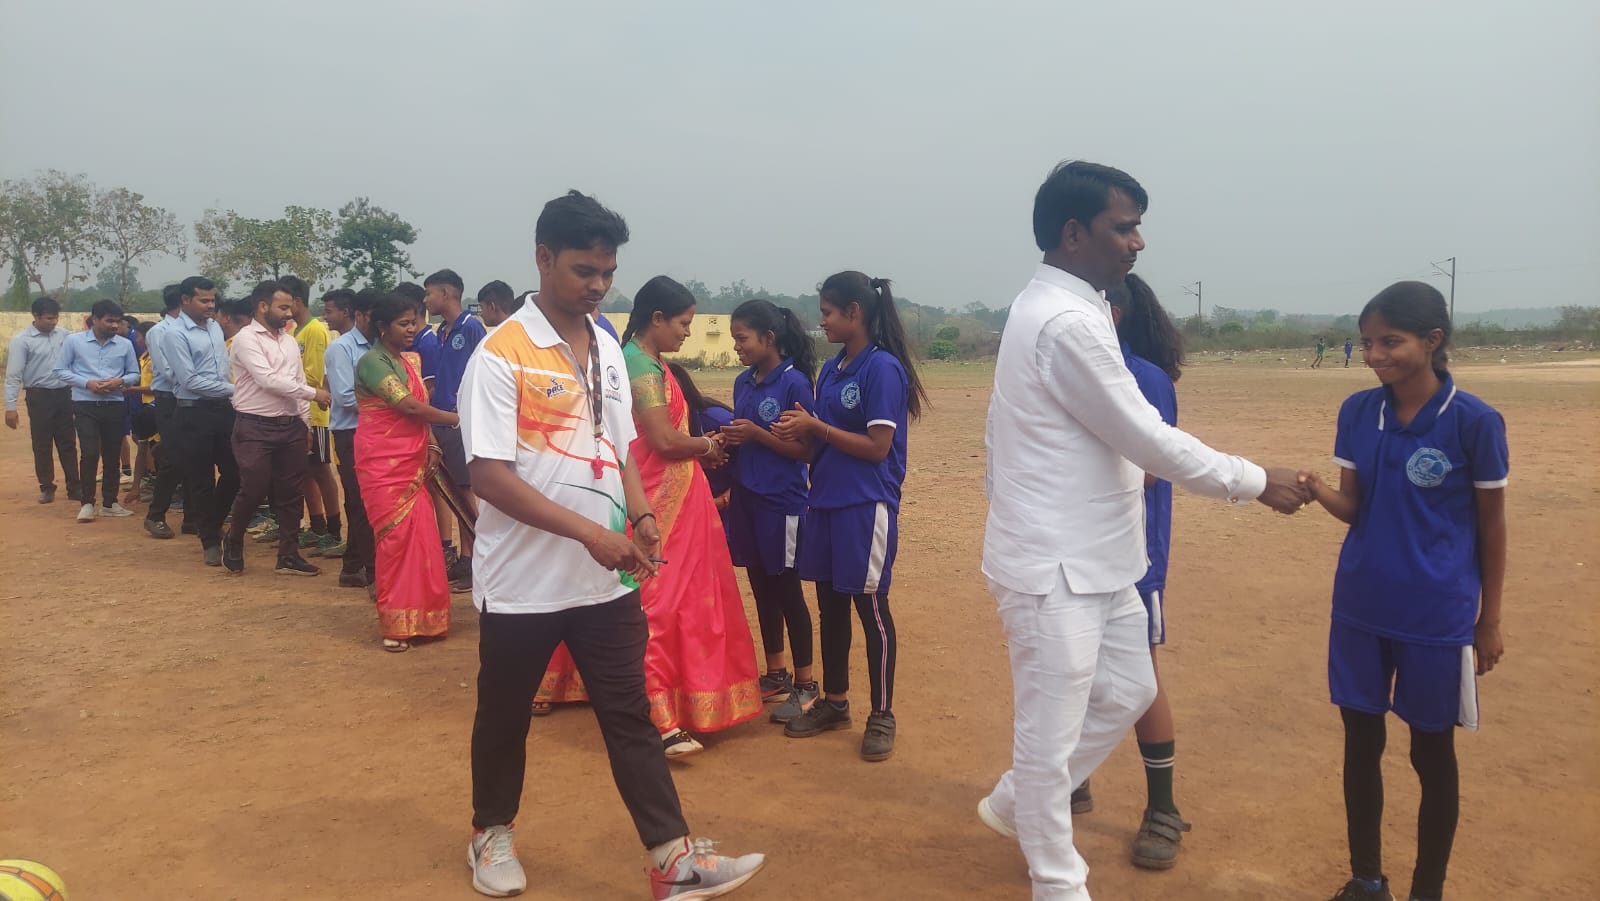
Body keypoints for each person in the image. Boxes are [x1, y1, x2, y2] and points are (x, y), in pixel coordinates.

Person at [976, 160, 1312, 901]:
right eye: (1124, 227)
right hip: (1054, 566)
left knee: (1128, 690)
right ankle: (1058, 882)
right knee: (1049, 735)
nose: (1139, 242)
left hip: (1104, 557)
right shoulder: (1064, 321)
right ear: (1074, 234)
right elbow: (1146, 436)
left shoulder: (1074, 306)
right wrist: (1257, 480)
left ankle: (1014, 801)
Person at [458, 189, 764, 899]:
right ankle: (490, 833)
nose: (598, 286)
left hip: (603, 583)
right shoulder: (501, 354)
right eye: (583, 270)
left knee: (630, 716)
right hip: (523, 584)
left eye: (607, 273)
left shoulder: (606, 346)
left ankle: (672, 860)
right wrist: (593, 533)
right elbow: (490, 478)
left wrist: (640, 513)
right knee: (504, 716)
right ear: (543, 259)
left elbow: (619, 442)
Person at [1299, 281, 1507, 901]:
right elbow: (1354, 508)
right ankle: (1367, 880)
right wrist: (1316, 490)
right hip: (1361, 606)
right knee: (1361, 744)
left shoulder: (1474, 421)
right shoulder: (1359, 412)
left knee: (1431, 754)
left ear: (1432, 340)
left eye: (1390, 342)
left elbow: (1492, 528)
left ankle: (1427, 891)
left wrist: (1489, 619)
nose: (1374, 355)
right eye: (1367, 343)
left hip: (1435, 616)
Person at [770, 272, 925, 763]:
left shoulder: (882, 368)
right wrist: (797, 433)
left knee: (871, 609)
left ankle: (883, 714)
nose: (823, 322)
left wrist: (816, 427)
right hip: (825, 502)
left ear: (855, 312)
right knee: (831, 607)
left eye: (828, 313)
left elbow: (878, 447)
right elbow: (823, 441)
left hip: (865, 505)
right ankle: (835, 703)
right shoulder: (834, 369)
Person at [1066, 273, 1191, 869]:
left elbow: (1151, 468)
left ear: (1110, 314)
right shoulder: (1080, 373)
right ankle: (1073, 778)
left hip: (1132, 557)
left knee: (1142, 675)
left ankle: (1162, 808)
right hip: (1075, 551)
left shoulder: (1144, 378)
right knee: (1073, 668)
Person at [611, 275, 762, 757]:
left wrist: (698, 449)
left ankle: (688, 702)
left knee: (689, 602)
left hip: (681, 496)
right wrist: (707, 446)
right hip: (657, 500)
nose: (687, 332)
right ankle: (656, 716)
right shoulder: (639, 364)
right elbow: (662, 439)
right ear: (656, 318)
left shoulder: (651, 362)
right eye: (682, 323)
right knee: (658, 604)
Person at [718, 298, 820, 723]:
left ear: (769, 337)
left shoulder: (794, 383)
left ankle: (807, 683)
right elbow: (746, 438)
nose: (737, 346)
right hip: (748, 499)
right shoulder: (743, 382)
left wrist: (757, 434)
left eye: (742, 338)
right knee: (760, 586)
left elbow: (807, 451)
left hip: (782, 502)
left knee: (787, 589)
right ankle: (776, 673)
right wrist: (726, 440)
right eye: (734, 339)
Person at [356, 291, 458, 651]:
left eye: (414, 322)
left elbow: (419, 415)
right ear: (382, 327)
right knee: (395, 541)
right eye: (403, 323)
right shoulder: (372, 362)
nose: (412, 329)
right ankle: (396, 624)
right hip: (383, 462)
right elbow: (408, 407)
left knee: (423, 538)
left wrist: (431, 443)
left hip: (414, 459)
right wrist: (458, 419)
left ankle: (426, 620)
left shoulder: (410, 360)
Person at [220, 280, 330, 577]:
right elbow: (268, 380)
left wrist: (305, 425)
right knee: (254, 488)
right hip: (254, 426)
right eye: (283, 307)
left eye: (290, 307)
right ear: (262, 306)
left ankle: (288, 555)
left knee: (291, 492)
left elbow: (296, 382)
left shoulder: (289, 341)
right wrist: (314, 394)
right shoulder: (246, 339)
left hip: (290, 425)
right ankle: (234, 538)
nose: (289, 313)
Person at [162, 276, 240, 567]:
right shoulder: (174, 334)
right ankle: (209, 541)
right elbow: (190, 381)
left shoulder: (215, 328)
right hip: (193, 412)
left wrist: (233, 393)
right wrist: (238, 390)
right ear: (185, 300)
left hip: (223, 410)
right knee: (201, 479)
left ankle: (212, 523)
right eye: (203, 300)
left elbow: (223, 370)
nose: (210, 305)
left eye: (212, 300)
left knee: (235, 472)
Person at [424, 267, 486, 592]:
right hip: (442, 421)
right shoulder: (440, 332)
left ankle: (474, 559)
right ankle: (465, 557)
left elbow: (484, 371)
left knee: (465, 490)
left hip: (461, 421)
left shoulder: (471, 327)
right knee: (450, 489)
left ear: (445, 293)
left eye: (429, 293)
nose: (426, 300)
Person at [54, 299, 140, 523]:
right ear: (94, 319)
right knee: (90, 452)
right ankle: (87, 503)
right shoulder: (74, 341)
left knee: (112, 454)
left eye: (117, 321)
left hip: (115, 404)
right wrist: (87, 383)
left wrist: (120, 381)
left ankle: (110, 503)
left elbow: (134, 373)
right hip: (85, 403)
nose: (115, 325)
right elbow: (60, 370)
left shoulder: (124, 345)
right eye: (109, 321)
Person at [284, 275, 343, 558]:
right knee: (305, 470)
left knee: (320, 469)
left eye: (286, 304)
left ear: (297, 301)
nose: (284, 310)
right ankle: (317, 525)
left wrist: (285, 383)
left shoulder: (315, 331)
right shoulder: (297, 331)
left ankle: (334, 529)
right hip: (299, 409)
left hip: (315, 413)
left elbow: (315, 376)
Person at [323, 288, 377, 590]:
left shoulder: (379, 345)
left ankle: (352, 566)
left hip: (375, 431)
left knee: (367, 501)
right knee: (359, 501)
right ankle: (373, 573)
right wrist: (391, 405)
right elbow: (344, 397)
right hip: (350, 432)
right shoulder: (341, 349)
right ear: (360, 315)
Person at [5, 296, 79, 505]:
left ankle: (75, 486)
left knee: (68, 442)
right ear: (36, 316)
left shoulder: (66, 336)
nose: (53, 322)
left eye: (55, 318)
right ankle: (47, 486)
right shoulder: (22, 341)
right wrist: (11, 407)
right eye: (48, 318)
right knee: (42, 443)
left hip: (64, 394)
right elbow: (13, 375)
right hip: (39, 396)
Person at [144, 285, 194, 538]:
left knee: (195, 457)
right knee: (174, 458)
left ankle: (192, 518)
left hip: (193, 400)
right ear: (184, 302)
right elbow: (167, 370)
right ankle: (155, 515)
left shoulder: (196, 330)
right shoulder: (159, 332)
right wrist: (198, 381)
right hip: (170, 399)